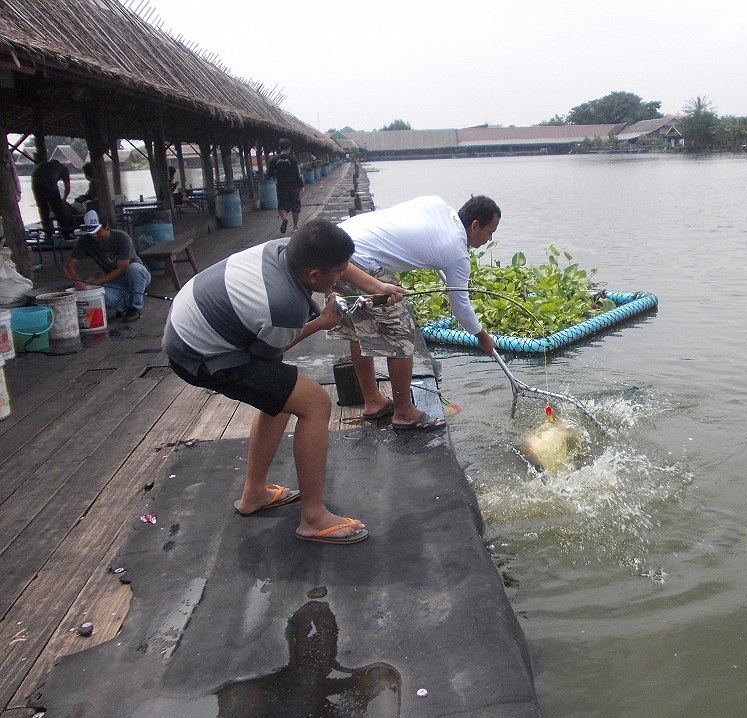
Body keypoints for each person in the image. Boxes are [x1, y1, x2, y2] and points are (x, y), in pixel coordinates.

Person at [162, 219, 404, 544]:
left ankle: (254, 495)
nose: (341, 277)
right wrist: (323, 322)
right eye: (337, 273)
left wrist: (378, 287)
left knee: (282, 394)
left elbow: (337, 267)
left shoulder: (289, 249)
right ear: (315, 276)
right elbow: (265, 355)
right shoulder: (283, 306)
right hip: (201, 354)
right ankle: (313, 518)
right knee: (315, 403)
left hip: (190, 325)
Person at [330, 195, 500, 431]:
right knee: (401, 333)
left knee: (360, 329)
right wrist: (482, 336)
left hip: (335, 245)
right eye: (490, 231)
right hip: (359, 259)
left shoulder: (438, 204)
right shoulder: (457, 252)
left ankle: (373, 402)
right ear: (474, 225)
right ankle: (404, 412)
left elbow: (418, 236)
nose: (490, 238)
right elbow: (460, 307)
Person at [66, 210, 151, 323]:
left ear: (106, 226)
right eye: (91, 233)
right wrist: (77, 282)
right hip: (113, 280)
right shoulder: (84, 241)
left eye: (98, 231)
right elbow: (68, 265)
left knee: (134, 269)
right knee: (103, 298)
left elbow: (122, 268)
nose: (95, 236)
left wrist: (97, 281)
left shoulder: (122, 237)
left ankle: (135, 307)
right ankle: (123, 305)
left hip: (135, 274)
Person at [265, 138, 304, 234]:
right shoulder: (293, 159)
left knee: (282, 205)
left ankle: (284, 219)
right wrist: (301, 186)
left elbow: (269, 173)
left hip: (281, 186)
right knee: (296, 206)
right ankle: (295, 227)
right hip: (294, 186)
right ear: (289, 148)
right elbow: (298, 174)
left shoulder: (274, 159)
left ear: (279, 148)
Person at [31, 153, 73, 238]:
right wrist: (64, 199)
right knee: (59, 209)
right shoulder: (63, 169)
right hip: (49, 184)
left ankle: (48, 233)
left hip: (36, 183)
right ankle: (66, 233)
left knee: (43, 209)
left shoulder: (45, 165)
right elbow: (67, 187)